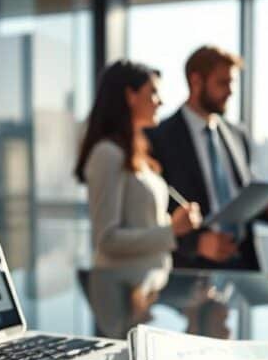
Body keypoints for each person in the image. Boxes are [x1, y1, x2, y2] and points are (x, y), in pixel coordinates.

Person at [147, 45, 268, 271]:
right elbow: (152, 212)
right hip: (191, 273)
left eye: (232, 83)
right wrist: (196, 244)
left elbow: (241, 196)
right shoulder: (159, 138)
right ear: (196, 81)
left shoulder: (237, 135)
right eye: (223, 83)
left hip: (243, 264)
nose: (231, 91)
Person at [75, 60, 203, 269]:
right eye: (153, 92)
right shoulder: (107, 154)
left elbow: (143, 225)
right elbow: (106, 240)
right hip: (122, 291)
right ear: (130, 95)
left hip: (145, 288)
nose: (160, 102)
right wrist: (172, 230)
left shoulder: (137, 154)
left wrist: (173, 224)